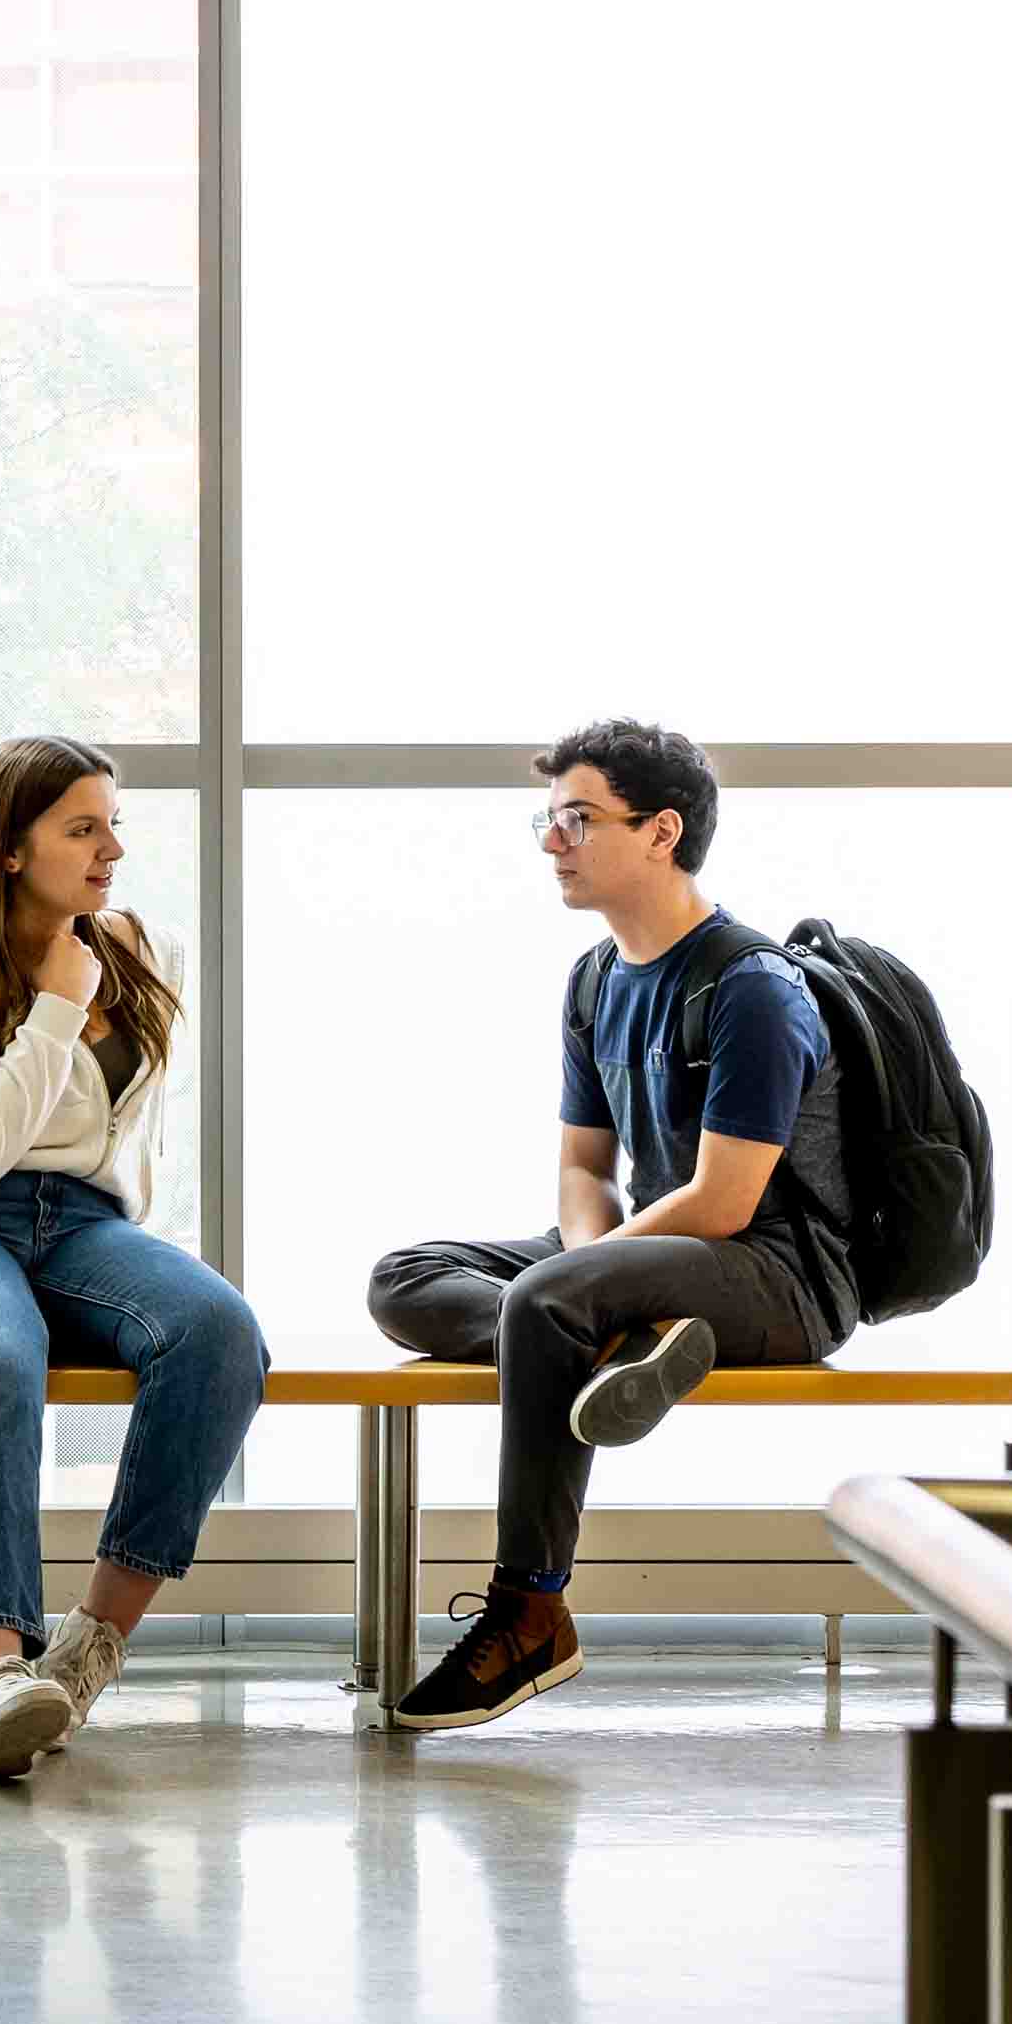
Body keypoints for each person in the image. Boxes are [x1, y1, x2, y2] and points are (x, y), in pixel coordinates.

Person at [365, 721, 852, 1734]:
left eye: (579, 819)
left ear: (661, 831)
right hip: (653, 1263)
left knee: (553, 1295)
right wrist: (583, 1272)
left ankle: (532, 1609)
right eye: (549, 819)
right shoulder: (595, 979)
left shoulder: (751, 987)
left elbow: (723, 1203)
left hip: (775, 1273)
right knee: (404, 1276)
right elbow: (585, 1166)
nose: (553, 840)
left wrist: (574, 1284)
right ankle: (611, 1342)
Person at [0, 736, 271, 1783]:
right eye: (82, 827)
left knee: (217, 1332)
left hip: (72, 1222)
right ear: (13, 847)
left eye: (113, 822)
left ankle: (81, 1653)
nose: (112, 846)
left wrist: (118, 1234)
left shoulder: (136, 947)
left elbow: (121, 1135)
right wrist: (58, 1007)